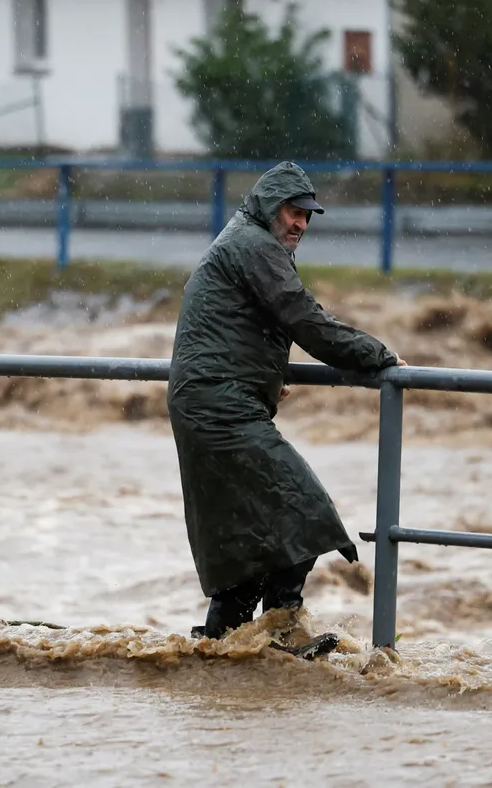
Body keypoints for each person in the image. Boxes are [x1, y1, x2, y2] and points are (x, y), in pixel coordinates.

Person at [169, 161, 406, 642]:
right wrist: (379, 355)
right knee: (303, 515)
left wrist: (265, 376)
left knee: (249, 540)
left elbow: (239, 323)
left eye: (307, 216)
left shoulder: (243, 239)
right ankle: (282, 635)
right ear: (268, 207)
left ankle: (220, 652)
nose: (300, 223)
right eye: (292, 212)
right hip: (221, 406)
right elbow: (303, 318)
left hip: (213, 400)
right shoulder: (254, 244)